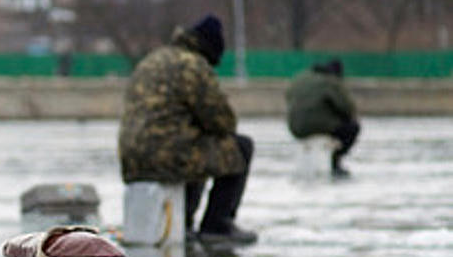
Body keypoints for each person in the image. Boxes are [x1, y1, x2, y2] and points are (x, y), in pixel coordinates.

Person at [118, 14, 257, 244]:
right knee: (240, 146)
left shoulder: (152, 59)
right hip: (168, 158)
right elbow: (223, 122)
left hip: (132, 161)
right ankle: (217, 225)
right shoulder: (193, 65)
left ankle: (184, 223)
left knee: (194, 146)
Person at [285, 58, 360, 178]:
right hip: (318, 127)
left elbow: (288, 97)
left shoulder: (300, 78)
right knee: (353, 127)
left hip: (295, 128)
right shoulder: (330, 82)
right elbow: (346, 108)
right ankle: (335, 162)